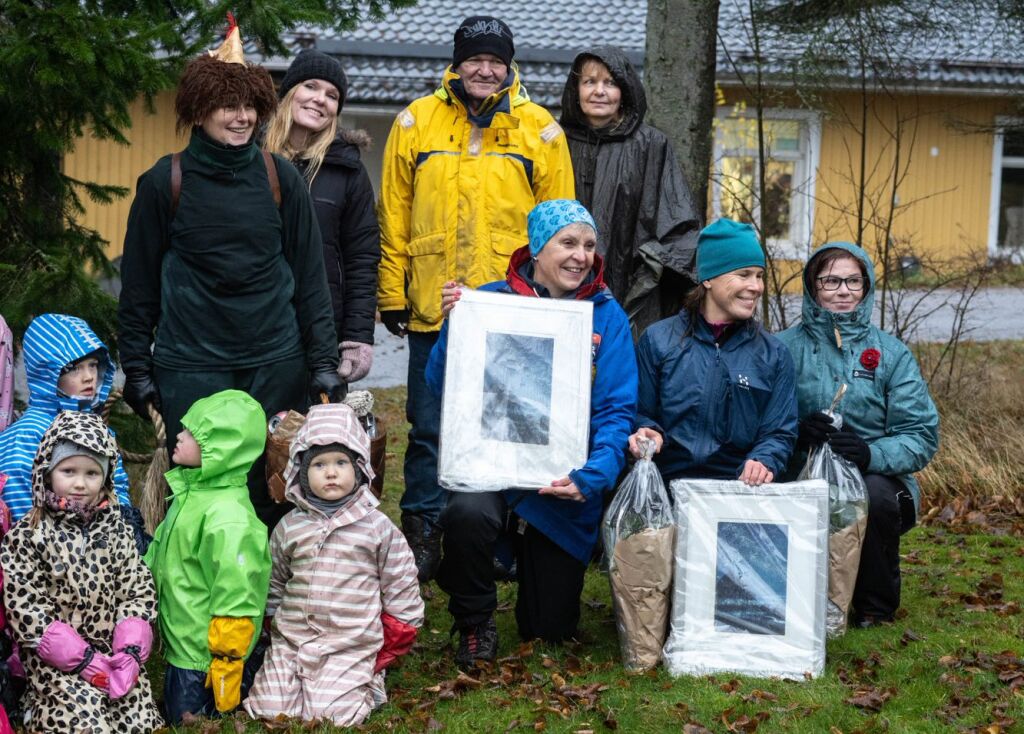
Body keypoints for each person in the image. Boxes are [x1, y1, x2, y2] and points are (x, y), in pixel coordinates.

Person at [118, 17, 343, 530]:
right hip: (191, 365)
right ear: (199, 110)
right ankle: (194, 600)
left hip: (275, 362)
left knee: (271, 489)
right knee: (195, 493)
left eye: (249, 107)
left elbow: (310, 277)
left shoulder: (279, 176)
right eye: (228, 106)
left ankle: (264, 601)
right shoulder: (163, 182)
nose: (241, 118)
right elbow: (138, 286)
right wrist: (136, 364)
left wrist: (324, 360)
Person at [376, 15, 576, 580]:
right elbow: (392, 215)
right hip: (435, 307)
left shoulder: (540, 130)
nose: (485, 70)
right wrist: (392, 292)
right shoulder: (416, 121)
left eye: (496, 60)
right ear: (457, 64)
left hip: (514, 310)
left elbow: (559, 224)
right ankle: (422, 532)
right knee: (429, 424)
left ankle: (493, 536)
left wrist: (551, 301)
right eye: (474, 59)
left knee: (506, 427)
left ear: (509, 65)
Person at [426, 199, 637, 669]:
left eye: (588, 245)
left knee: (549, 629)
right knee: (466, 514)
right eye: (567, 243)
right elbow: (443, 386)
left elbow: (617, 411)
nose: (580, 255)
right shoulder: (489, 300)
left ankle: (529, 559)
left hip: (561, 482)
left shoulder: (607, 317)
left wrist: (593, 475)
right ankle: (475, 619)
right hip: (491, 468)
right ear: (537, 248)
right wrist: (452, 327)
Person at [777, 242, 939, 627]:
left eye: (853, 280)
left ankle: (874, 607)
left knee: (879, 496)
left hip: (871, 475)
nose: (844, 290)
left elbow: (920, 433)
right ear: (813, 286)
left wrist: (870, 454)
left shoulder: (891, 354)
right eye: (831, 280)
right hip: (797, 469)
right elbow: (757, 421)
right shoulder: (782, 348)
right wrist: (796, 433)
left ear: (866, 287)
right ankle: (788, 593)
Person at [244, 403, 423, 726]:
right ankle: (292, 679)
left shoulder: (376, 527)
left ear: (359, 467)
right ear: (300, 472)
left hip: (349, 641)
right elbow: (276, 579)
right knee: (268, 709)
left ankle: (368, 683)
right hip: (293, 639)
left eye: (341, 462)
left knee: (333, 716)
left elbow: (401, 580)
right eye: (319, 465)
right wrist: (271, 621)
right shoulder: (290, 526)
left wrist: (399, 631)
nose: (330, 472)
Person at [1, 412, 161, 732]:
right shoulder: (27, 536)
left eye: (91, 473)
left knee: (136, 714)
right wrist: (84, 661)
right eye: (68, 470)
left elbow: (137, 589)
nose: (79, 483)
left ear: (106, 477)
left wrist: (129, 652)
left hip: (111, 654)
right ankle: (38, 709)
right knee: (81, 715)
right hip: (55, 665)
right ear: (47, 472)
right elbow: (27, 610)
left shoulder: (116, 532)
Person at [628, 219, 798, 486]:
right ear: (708, 279)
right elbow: (638, 411)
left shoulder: (774, 354)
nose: (756, 286)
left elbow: (778, 432)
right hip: (666, 488)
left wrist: (764, 460)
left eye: (759, 275)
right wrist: (648, 433)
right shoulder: (658, 340)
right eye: (743, 274)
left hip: (737, 494)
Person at [144, 389, 271, 723]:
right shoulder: (191, 494)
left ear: (220, 451)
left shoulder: (229, 518)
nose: (179, 436)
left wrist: (226, 659)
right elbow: (164, 549)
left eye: (192, 434)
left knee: (186, 719)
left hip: (202, 654)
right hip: (183, 635)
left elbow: (237, 592)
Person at [560, 46, 700, 337]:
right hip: (562, 283)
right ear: (576, 89)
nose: (600, 91)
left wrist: (647, 271)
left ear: (624, 90)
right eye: (589, 82)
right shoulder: (557, 141)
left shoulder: (650, 145)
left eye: (609, 83)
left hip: (633, 288)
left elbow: (678, 223)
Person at [264, 49, 381, 384]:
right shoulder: (251, 157)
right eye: (311, 86)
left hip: (321, 329)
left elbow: (361, 257)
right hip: (253, 321)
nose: (320, 100)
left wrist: (358, 337)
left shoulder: (348, 170)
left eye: (332, 95)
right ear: (289, 93)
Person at [0, 314, 132, 522]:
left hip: (103, 547)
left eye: (93, 364)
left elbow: (119, 490)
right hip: (42, 549)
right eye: (75, 368)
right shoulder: (27, 434)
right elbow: (20, 510)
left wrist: (120, 535)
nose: (89, 376)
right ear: (47, 373)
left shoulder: (96, 428)